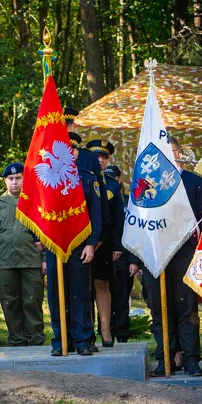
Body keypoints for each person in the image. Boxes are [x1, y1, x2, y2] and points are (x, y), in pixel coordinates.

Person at [133, 135, 202, 376]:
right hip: (155, 253)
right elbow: (137, 221)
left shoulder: (193, 182)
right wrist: (135, 258)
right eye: (163, 152)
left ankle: (191, 359)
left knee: (187, 309)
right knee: (159, 308)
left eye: (173, 151)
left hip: (184, 252)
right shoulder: (145, 182)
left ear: (179, 153)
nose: (169, 155)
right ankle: (166, 357)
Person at [46, 132, 102, 357]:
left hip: (79, 244)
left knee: (80, 292)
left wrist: (91, 244)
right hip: (55, 244)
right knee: (55, 293)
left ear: (77, 152)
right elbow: (38, 211)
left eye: (72, 150)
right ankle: (60, 340)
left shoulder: (88, 178)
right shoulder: (48, 178)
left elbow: (95, 215)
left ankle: (81, 339)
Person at [0, 162, 45, 346]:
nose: (14, 182)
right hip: (5, 261)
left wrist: (44, 260)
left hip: (31, 260)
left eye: (18, 178)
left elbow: (45, 234)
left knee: (32, 301)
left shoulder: (35, 202)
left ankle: (35, 339)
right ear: (5, 181)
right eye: (10, 179)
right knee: (10, 302)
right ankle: (17, 339)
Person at [87, 140, 124, 347]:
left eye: (104, 157)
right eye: (96, 156)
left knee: (102, 284)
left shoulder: (111, 184)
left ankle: (105, 330)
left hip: (106, 241)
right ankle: (86, 331)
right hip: (83, 240)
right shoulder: (80, 179)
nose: (100, 160)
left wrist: (118, 245)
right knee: (84, 287)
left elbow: (119, 218)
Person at [105, 164, 133, 343]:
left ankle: (122, 335)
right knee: (104, 299)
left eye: (114, 179)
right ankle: (106, 332)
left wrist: (133, 260)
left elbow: (135, 233)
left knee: (122, 301)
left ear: (119, 180)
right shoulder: (100, 200)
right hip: (105, 259)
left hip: (124, 258)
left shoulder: (130, 201)